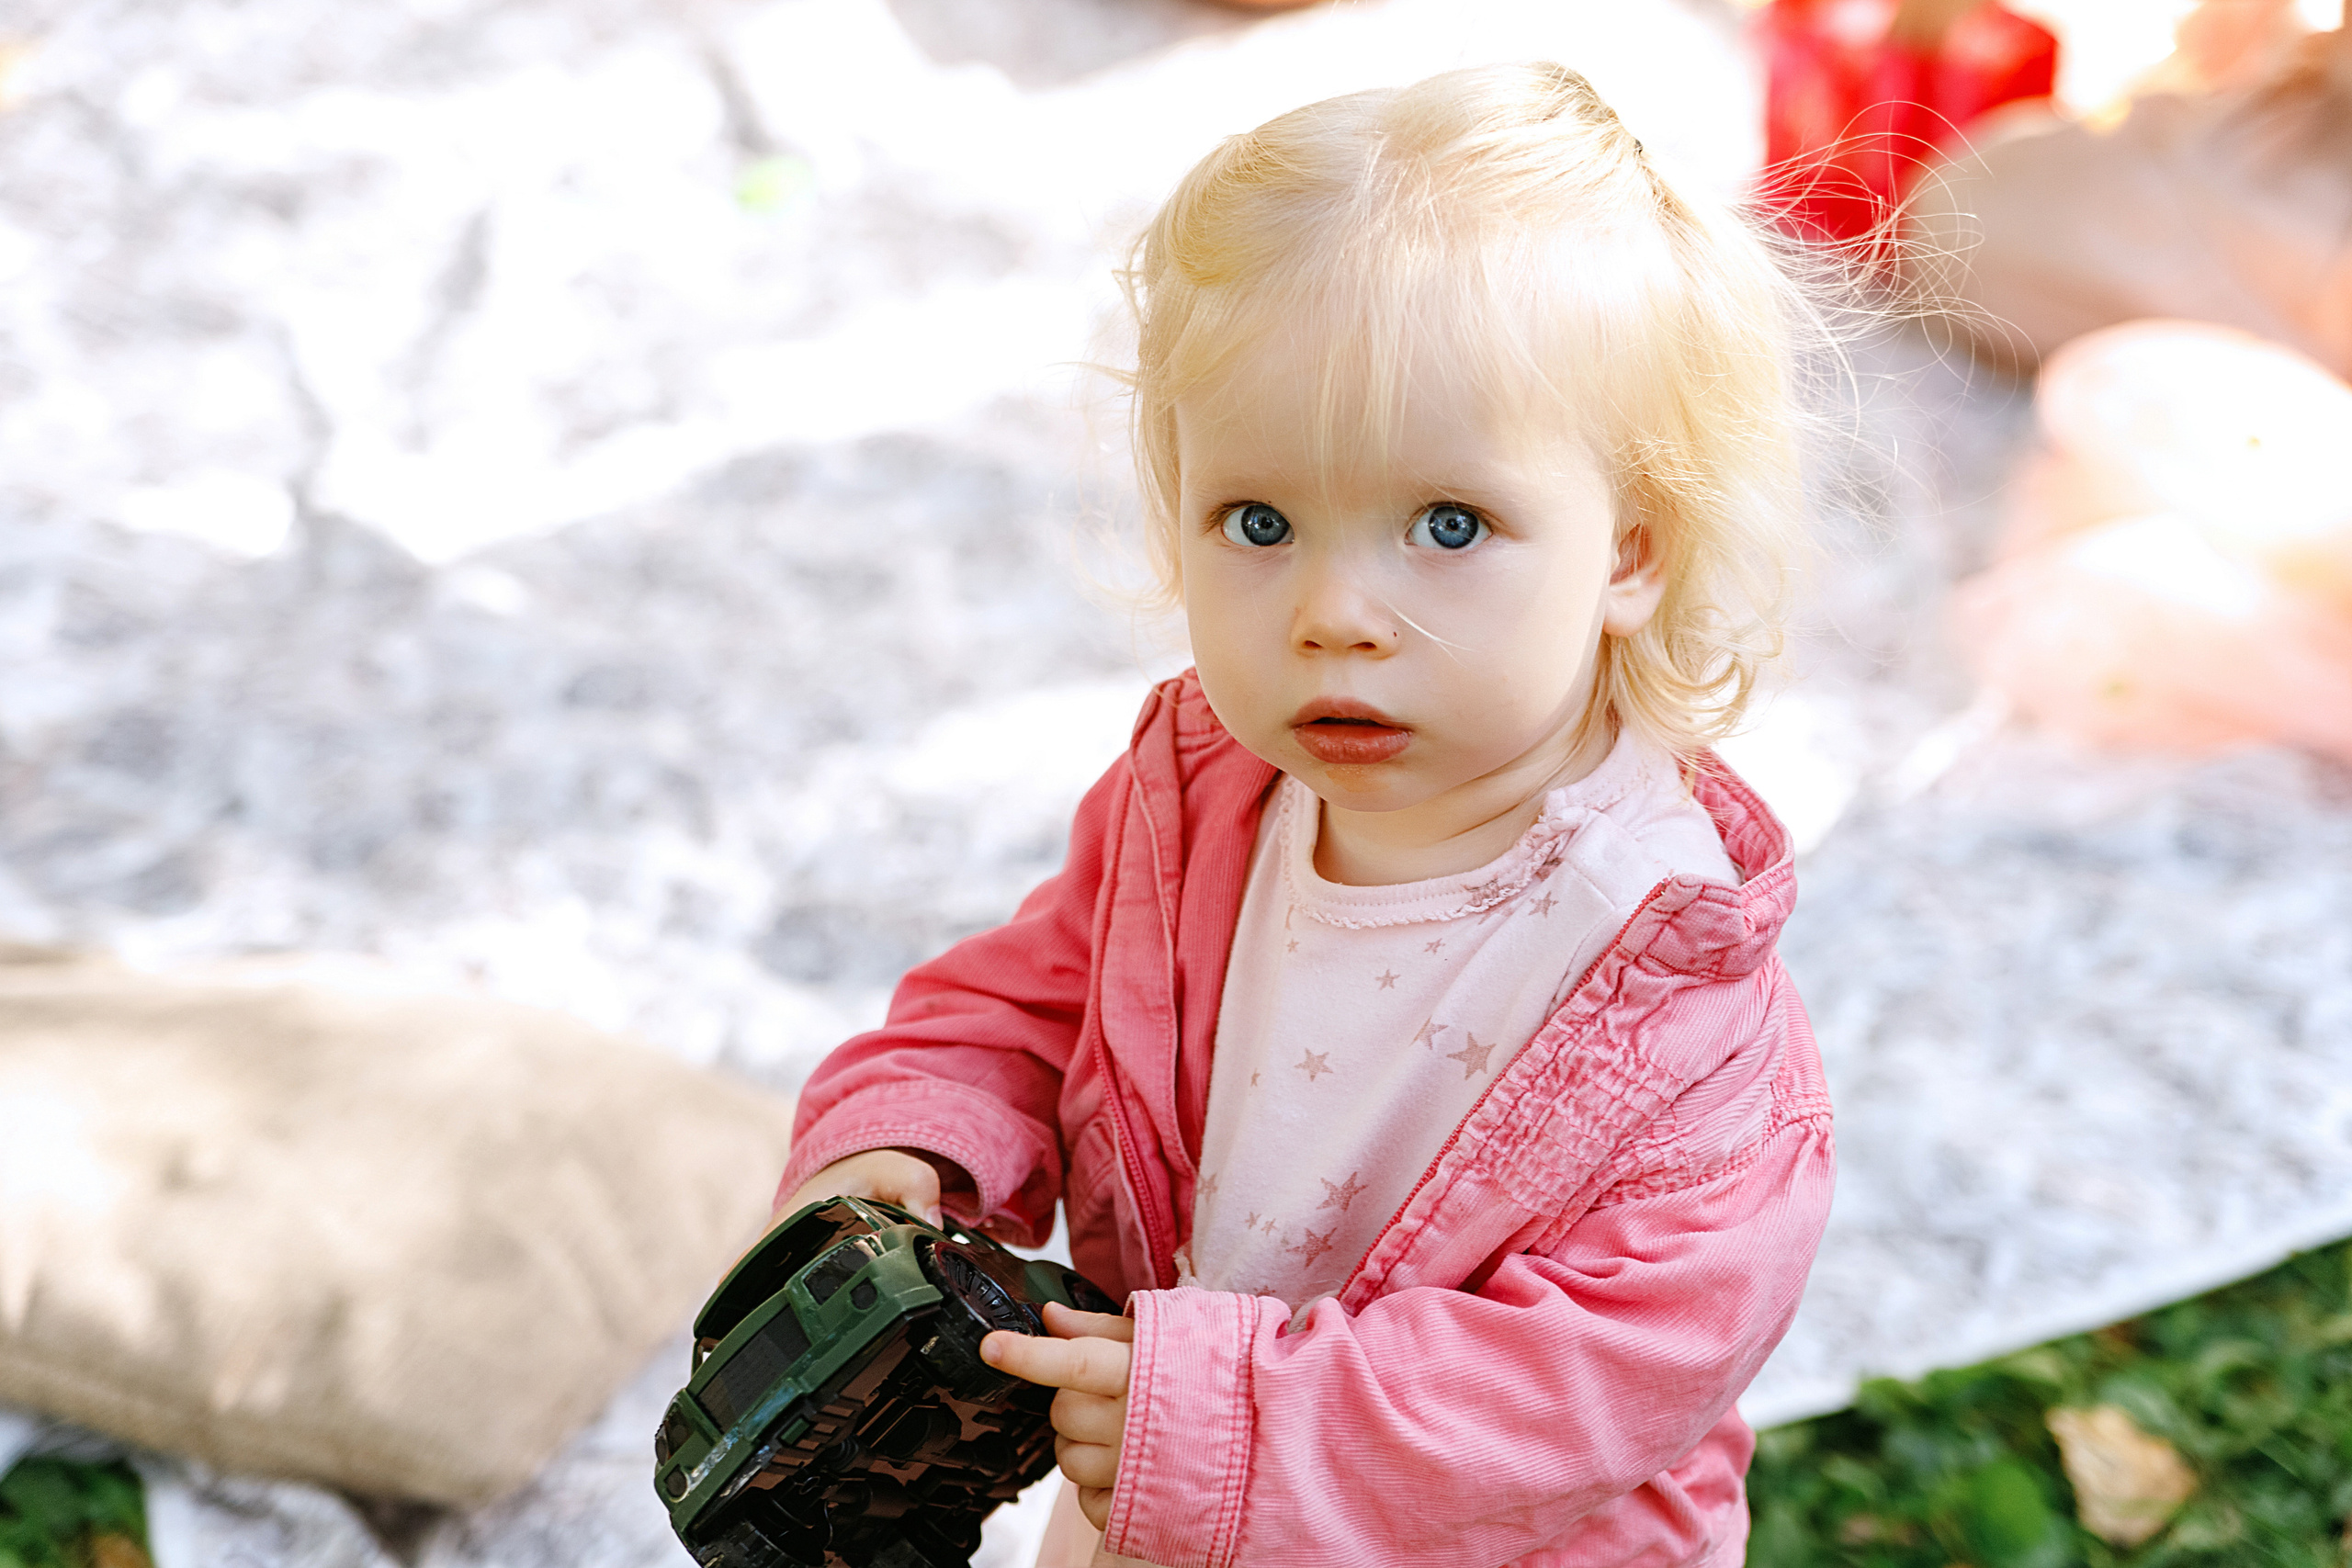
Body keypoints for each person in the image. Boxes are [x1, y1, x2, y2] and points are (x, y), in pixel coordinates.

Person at [775, 62, 1837, 1567]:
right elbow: (1043, 996)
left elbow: (1589, 1386)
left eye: (1448, 526)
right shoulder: (1206, 797)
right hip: (1163, 1489)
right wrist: (910, 1144)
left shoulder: (1674, 995)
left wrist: (1225, 1421)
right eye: (1260, 524)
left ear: (1631, 552)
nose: (1337, 613)